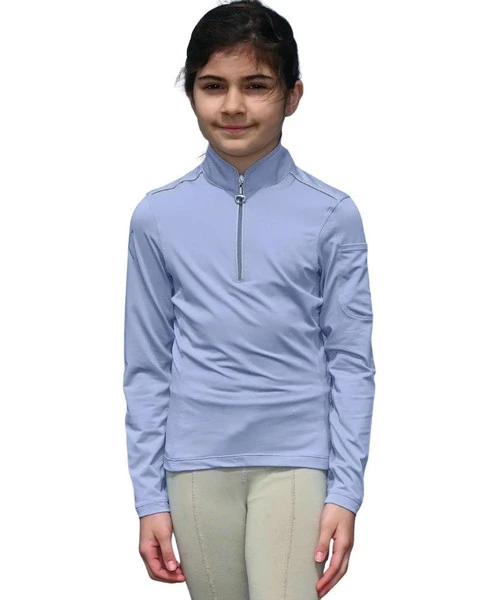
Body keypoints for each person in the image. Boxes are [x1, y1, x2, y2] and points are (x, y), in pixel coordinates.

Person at [122, 1, 376, 598]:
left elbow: (351, 361)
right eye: (213, 86)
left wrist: (345, 491)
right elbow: (146, 365)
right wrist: (148, 497)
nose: (233, 105)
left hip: (297, 460)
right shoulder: (157, 216)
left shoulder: (332, 214)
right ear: (191, 93)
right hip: (194, 465)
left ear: (293, 95)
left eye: (256, 85)